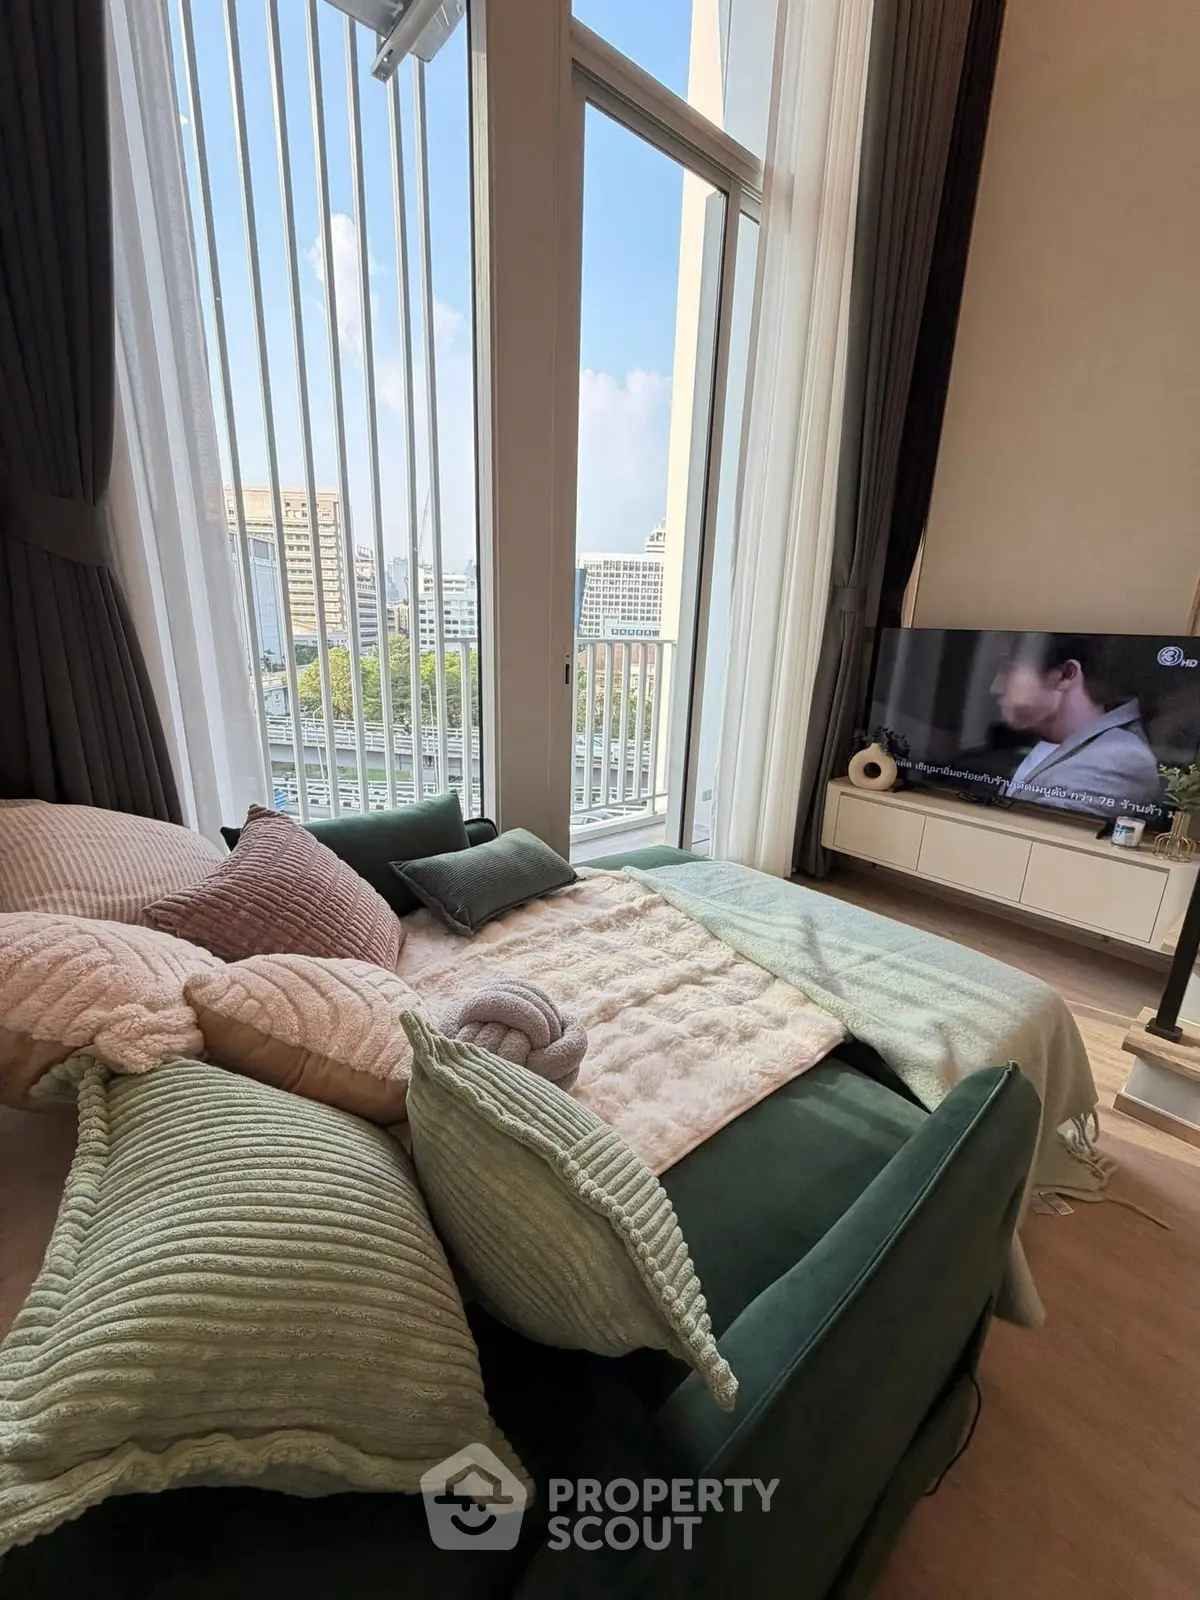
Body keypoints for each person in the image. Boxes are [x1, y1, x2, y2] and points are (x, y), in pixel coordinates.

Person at [992, 635, 1162, 816]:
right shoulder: (1041, 733)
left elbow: (1042, 836)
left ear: (1066, 674)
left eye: (1007, 670)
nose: (995, 687)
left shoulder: (1119, 759)